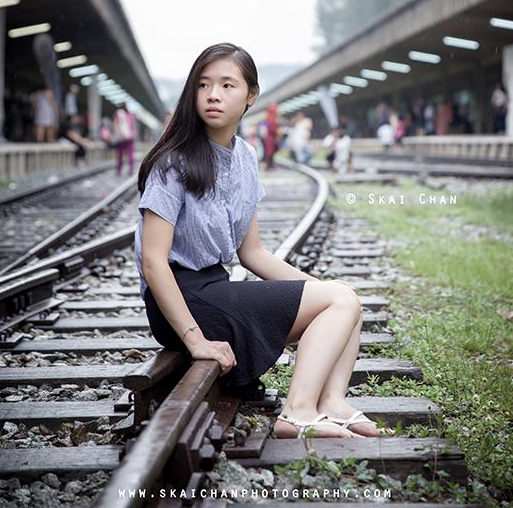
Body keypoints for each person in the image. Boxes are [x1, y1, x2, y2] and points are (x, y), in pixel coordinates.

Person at [136, 43, 391, 439]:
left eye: (226, 84)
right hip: (180, 300)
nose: (213, 95)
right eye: (203, 85)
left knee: (343, 295)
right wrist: (195, 339)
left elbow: (251, 252)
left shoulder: (244, 158)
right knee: (338, 298)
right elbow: (153, 262)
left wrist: (321, 289)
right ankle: (298, 411)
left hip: (214, 290)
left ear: (251, 95)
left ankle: (333, 402)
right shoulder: (174, 162)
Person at [113, 102, 137, 175]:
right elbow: (133, 126)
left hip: (121, 137)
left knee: (120, 154)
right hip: (130, 136)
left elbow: (115, 124)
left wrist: (115, 134)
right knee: (130, 153)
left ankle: (119, 169)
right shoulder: (131, 115)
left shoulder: (118, 113)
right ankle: (131, 169)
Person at [261, 103, 279, 171]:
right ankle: (269, 166)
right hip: (270, 138)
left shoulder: (270, 118)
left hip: (270, 138)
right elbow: (273, 129)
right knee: (269, 153)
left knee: (270, 153)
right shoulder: (271, 119)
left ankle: (270, 166)